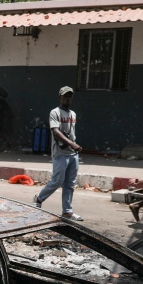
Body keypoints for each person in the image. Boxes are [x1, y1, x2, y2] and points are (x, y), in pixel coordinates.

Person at [34, 86, 83, 221]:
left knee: (70, 184)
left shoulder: (73, 114)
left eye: (70, 96)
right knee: (57, 181)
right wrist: (72, 143)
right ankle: (38, 199)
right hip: (60, 153)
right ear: (60, 97)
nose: (68, 98)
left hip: (73, 154)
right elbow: (55, 131)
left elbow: (71, 132)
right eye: (65, 96)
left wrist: (73, 146)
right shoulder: (54, 112)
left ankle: (67, 211)